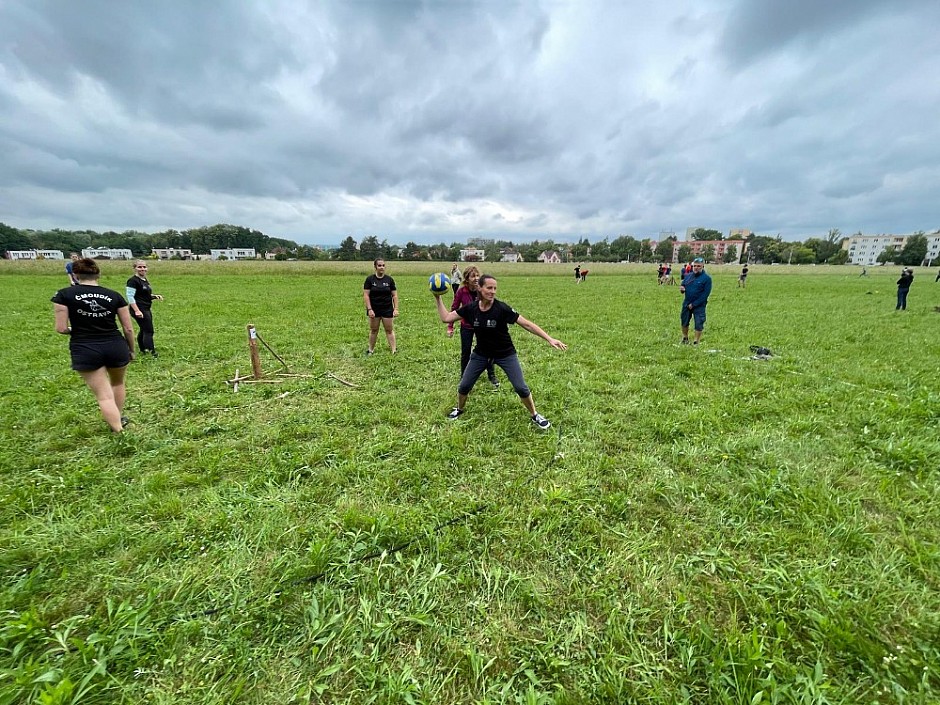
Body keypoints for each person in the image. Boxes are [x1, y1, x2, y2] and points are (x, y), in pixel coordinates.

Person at [433, 274, 566, 429]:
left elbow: (527, 324)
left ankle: (535, 414)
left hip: (505, 354)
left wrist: (549, 338)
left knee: (521, 387)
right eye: (489, 288)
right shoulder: (471, 308)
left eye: (495, 288)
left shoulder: (501, 308)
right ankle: (460, 409)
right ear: (480, 288)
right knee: (464, 386)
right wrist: (438, 298)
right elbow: (447, 318)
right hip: (481, 354)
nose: (493, 291)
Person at [51, 258, 136, 433]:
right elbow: (128, 328)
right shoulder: (114, 295)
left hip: (85, 347)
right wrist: (131, 349)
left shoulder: (64, 295)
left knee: (103, 396)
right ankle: (117, 418)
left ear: (75, 275)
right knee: (118, 383)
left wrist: (75, 329)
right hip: (115, 345)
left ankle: (118, 429)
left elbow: (60, 328)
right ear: (98, 274)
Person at [447, 265, 499, 388]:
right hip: (466, 326)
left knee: (488, 350)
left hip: (482, 326)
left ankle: (491, 375)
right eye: (473, 276)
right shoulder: (461, 291)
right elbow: (454, 308)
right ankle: (464, 377)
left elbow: (491, 306)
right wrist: (450, 326)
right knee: (465, 352)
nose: (476, 278)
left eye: (477, 276)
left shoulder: (482, 291)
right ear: (466, 278)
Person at [126, 260, 164, 357]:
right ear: (135, 268)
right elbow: (130, 296)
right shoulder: (133, 281)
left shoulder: (144, 280)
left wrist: (154, 296)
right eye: (139, 267)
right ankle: (152, 353)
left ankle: (143, 350)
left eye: (144, 267)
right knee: (149, 330)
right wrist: (137, 310)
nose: (142, 269)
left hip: (145, 307)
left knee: (144, 329)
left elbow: (143, 294)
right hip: (139, 308)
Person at [363, 258, 398, 355]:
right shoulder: (370, 280)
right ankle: (370, 350)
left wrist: (395, 309)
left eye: (383, 265)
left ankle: (394, 350)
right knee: (374, 330)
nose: (382, 267)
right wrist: (369, 309)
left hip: (387, 309)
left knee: (389, 330)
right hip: (374, 309)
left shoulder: (389, 280)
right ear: (375, 267)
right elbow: (366, 295)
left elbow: (394, 295)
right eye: (379, 265)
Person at [679, 257, 712, 345]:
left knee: (699, 322)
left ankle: (696, 341)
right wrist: (682, 289)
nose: (696, 268)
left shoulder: (707, 279)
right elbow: (683, 285)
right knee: (684, 320)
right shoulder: (688, 276)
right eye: (695, 266)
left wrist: (694, 304)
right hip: (687, 302)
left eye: (698, 266)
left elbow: (705, 294)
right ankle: (685, 338)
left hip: (699, 305)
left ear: (703, 267)